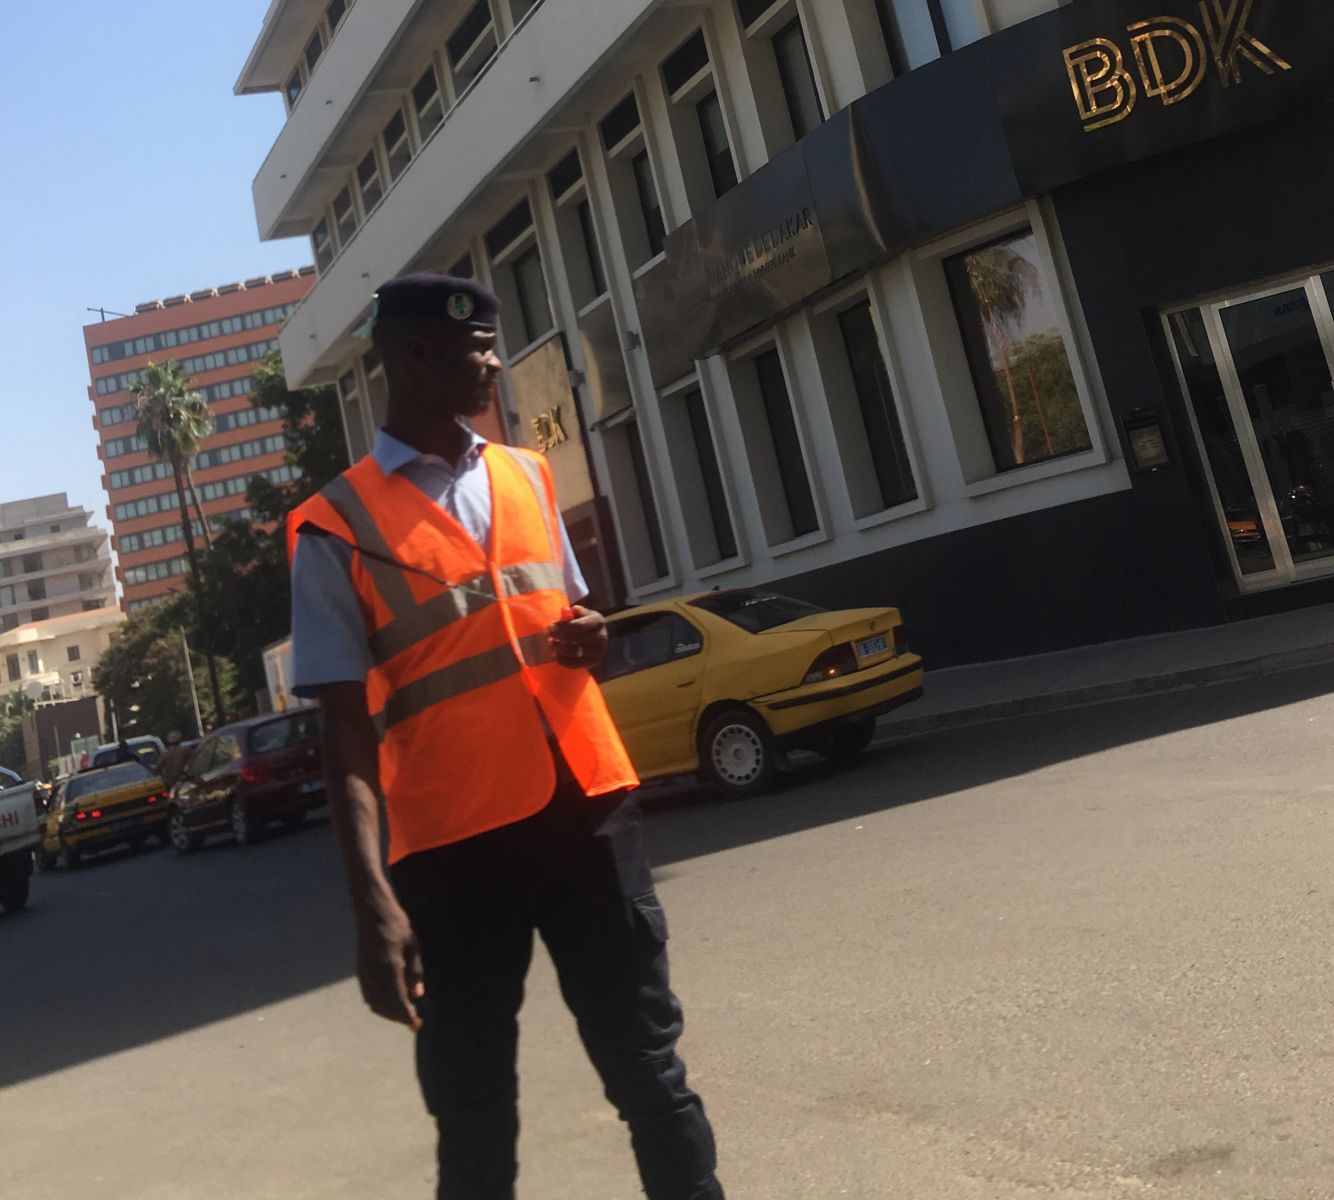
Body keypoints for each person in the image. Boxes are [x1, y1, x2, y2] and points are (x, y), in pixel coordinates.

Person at [287, 273, 724, 1200]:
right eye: (474, 349)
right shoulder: (334, 527)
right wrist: (372, 903)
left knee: (652, 1074)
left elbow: (569, 620)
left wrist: (594, 637)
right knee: (475, 1114)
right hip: (454, 853)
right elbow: (344, 735)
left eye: (491, 344)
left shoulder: (525, 473)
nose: (493, 363)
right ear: (413, 357)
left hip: (589, 818)